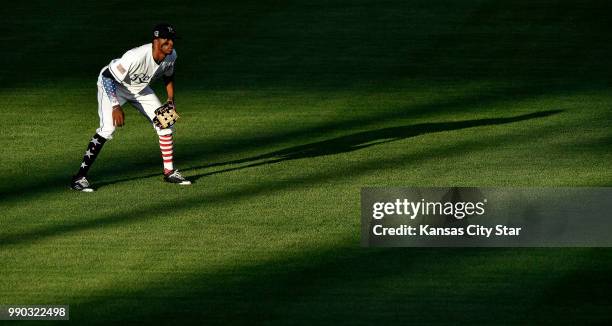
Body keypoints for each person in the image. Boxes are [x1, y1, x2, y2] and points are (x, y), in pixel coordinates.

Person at [71, 23, 190, 192]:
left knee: (167, 122)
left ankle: (169, 172)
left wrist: (170, 99)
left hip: (139, 89)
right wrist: (115, 106)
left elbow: (169, 76)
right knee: (107, 129)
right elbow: (107, 77)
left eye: (172, 40)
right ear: (155, 41)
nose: (170, 43)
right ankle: (79, 178)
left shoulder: (171, 56)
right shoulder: (135, 56)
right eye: (166, 40)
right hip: (114, 86)